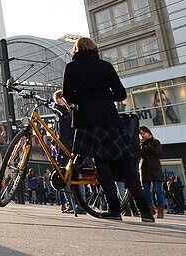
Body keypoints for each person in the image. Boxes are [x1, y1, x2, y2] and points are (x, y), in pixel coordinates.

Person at [62, 37, 154, 223]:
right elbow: (121, 94)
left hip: (87, 120)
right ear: (94, 48)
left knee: (101, 163)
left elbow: (67, 95)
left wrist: (82, 99)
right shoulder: (105, 66)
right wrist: (105, 96)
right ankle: (145, 212)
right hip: (110, 119)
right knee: (126, 165)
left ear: (76, 50)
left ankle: (114, 209)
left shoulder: (71, 68)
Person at [138, 125, 166, 219]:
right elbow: (139, 156)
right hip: (145, 167)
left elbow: (159, 153)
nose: (142, 136)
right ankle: (150, 208)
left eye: (143, 133)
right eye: (140, 134)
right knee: (146, 191)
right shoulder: (142, 144)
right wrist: (139, 148)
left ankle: (161, 210)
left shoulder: (155, 142)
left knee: (158, 190)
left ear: (148, 132)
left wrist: (148, 146)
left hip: (155, 168)